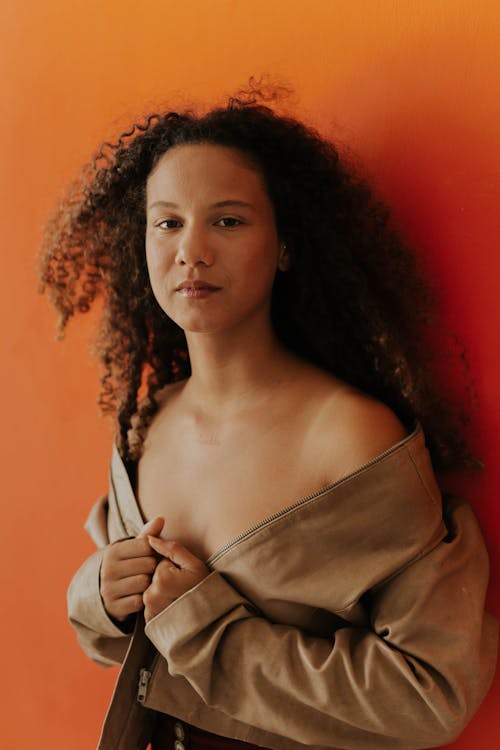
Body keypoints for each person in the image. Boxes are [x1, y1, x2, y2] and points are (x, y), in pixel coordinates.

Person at [39, 84, 497, 750]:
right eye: (167, 222)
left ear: (285, 244)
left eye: (228, 220)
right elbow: (116, 645)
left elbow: (430, 694)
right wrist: (99, 594)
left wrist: (214, 632)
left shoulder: (349, 437)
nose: (191, 251)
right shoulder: (148, 424)